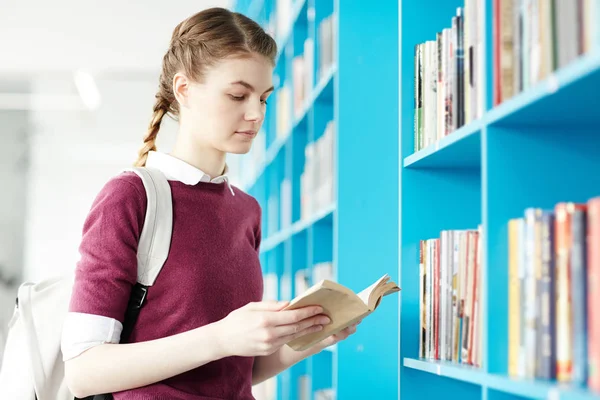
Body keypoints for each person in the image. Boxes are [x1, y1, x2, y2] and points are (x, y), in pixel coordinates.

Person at [61, 7, 360, 400]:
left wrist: (303, 340)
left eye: (264, 98)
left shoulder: (246, 210)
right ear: (183, 89)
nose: (255, 114)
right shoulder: (130, 197)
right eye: (238, 95)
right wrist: (220, 336)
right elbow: (84, 371)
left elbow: (230, 373)